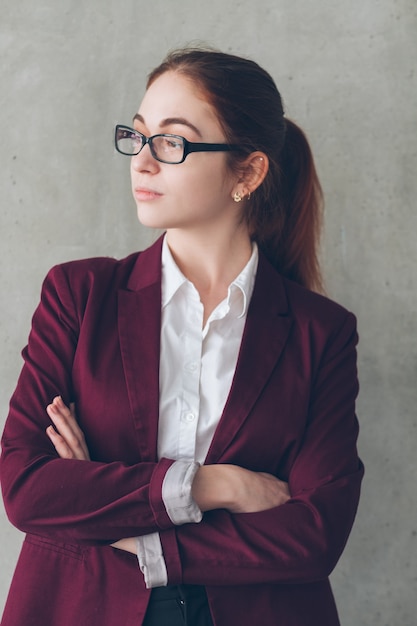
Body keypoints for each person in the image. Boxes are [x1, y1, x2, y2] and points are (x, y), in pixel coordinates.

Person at [0, 47, 363, 626]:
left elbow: (316, 532)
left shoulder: (321, 333)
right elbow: (29, 489)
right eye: (137, 136)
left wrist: (133, 529)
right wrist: (214, 487)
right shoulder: (78, 296)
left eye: (173, 143)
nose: (142, 162)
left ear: (246, 172)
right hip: (79, 606)